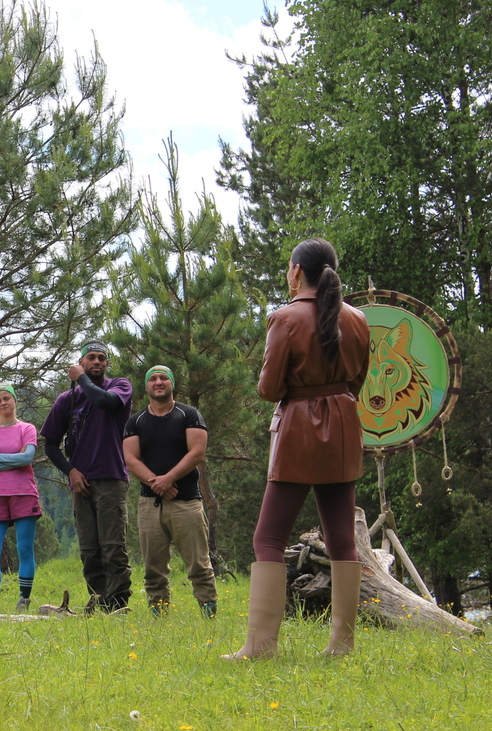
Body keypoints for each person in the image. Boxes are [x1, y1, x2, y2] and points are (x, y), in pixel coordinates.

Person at [224, 237, 369, 660]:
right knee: (343, 540)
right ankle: (342, 646)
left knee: (268, 538)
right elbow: (357, 380)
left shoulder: (284, 318)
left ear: (296, 271)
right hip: (344, 425)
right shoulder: (359, 319)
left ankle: (261, 646)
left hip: (298, 430)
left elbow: (269, 389)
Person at [41, 339, 134, 613]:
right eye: (90, 358)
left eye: (101, 358)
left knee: (113, 546)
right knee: (90, 550)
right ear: (81, 361)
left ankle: (117, 605)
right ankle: (99, 600)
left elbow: (104, 402)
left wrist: (80, 379)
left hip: (111, 477)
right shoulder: (66, 400)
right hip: (80, 483)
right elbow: (50, 444)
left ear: (106, 364)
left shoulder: (120, 386)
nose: (96, 362)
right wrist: (70, 471)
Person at [122, 365, 217, 618]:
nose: (158, 382)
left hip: (187, 503)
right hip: (150, 505)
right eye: (152, 379)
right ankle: (159, 619)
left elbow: (196, 453)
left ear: (172, 383)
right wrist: (157, 484)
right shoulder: (136, 421)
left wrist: (169, 479)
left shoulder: (189, 415)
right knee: (154, 569)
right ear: (147, 386)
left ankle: (210, 617)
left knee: (199, 565)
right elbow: (131, 459)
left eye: (164, 377)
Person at [0, 385, 41, 612]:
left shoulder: (27, 428)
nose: (3, 403)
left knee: (24, 548)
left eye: (7, 399)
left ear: (14, 401)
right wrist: (16, 458)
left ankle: (24, 599)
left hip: (24, 493)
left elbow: (28, 457)